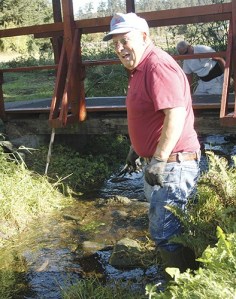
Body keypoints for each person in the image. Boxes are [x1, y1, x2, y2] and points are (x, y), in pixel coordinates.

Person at [103, 13, 201, 278]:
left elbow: (175, 114)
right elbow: (151, 114)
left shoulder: (157, 65)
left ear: (144, 37)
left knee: (166, 232)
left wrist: (157, 159)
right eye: (115, 43)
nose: (120, 48)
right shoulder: (139, 69)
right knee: (167, 230)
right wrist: (137, 148)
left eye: (125, 40)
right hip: (164, 164)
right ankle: (179, 280)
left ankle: (182, 287)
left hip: (172, 165)